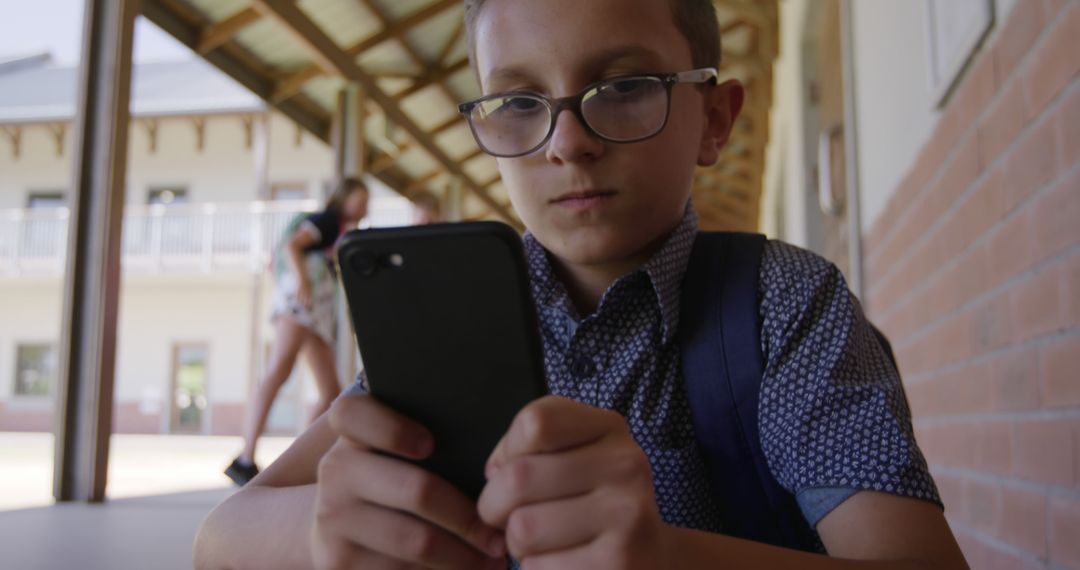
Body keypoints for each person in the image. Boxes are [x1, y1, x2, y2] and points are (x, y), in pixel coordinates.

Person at [197, 0, 970, 568]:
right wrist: (326, 527)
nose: (568, 143)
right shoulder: (456, 325)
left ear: (715, 118)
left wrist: (665, 557)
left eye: (626, 86)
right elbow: (219, 537)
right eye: (520, 101)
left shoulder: (785, 306)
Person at [223, 177, 369, 486]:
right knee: (278, 370)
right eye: (360, 199)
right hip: (300, 305)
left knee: (330, 391)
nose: (365, 206)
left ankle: (297, 462)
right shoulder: (328, 221)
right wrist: (302, 281)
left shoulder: (342, 231)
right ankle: (245, 458)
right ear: (344, 199)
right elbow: (293, 246)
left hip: (316, 315)